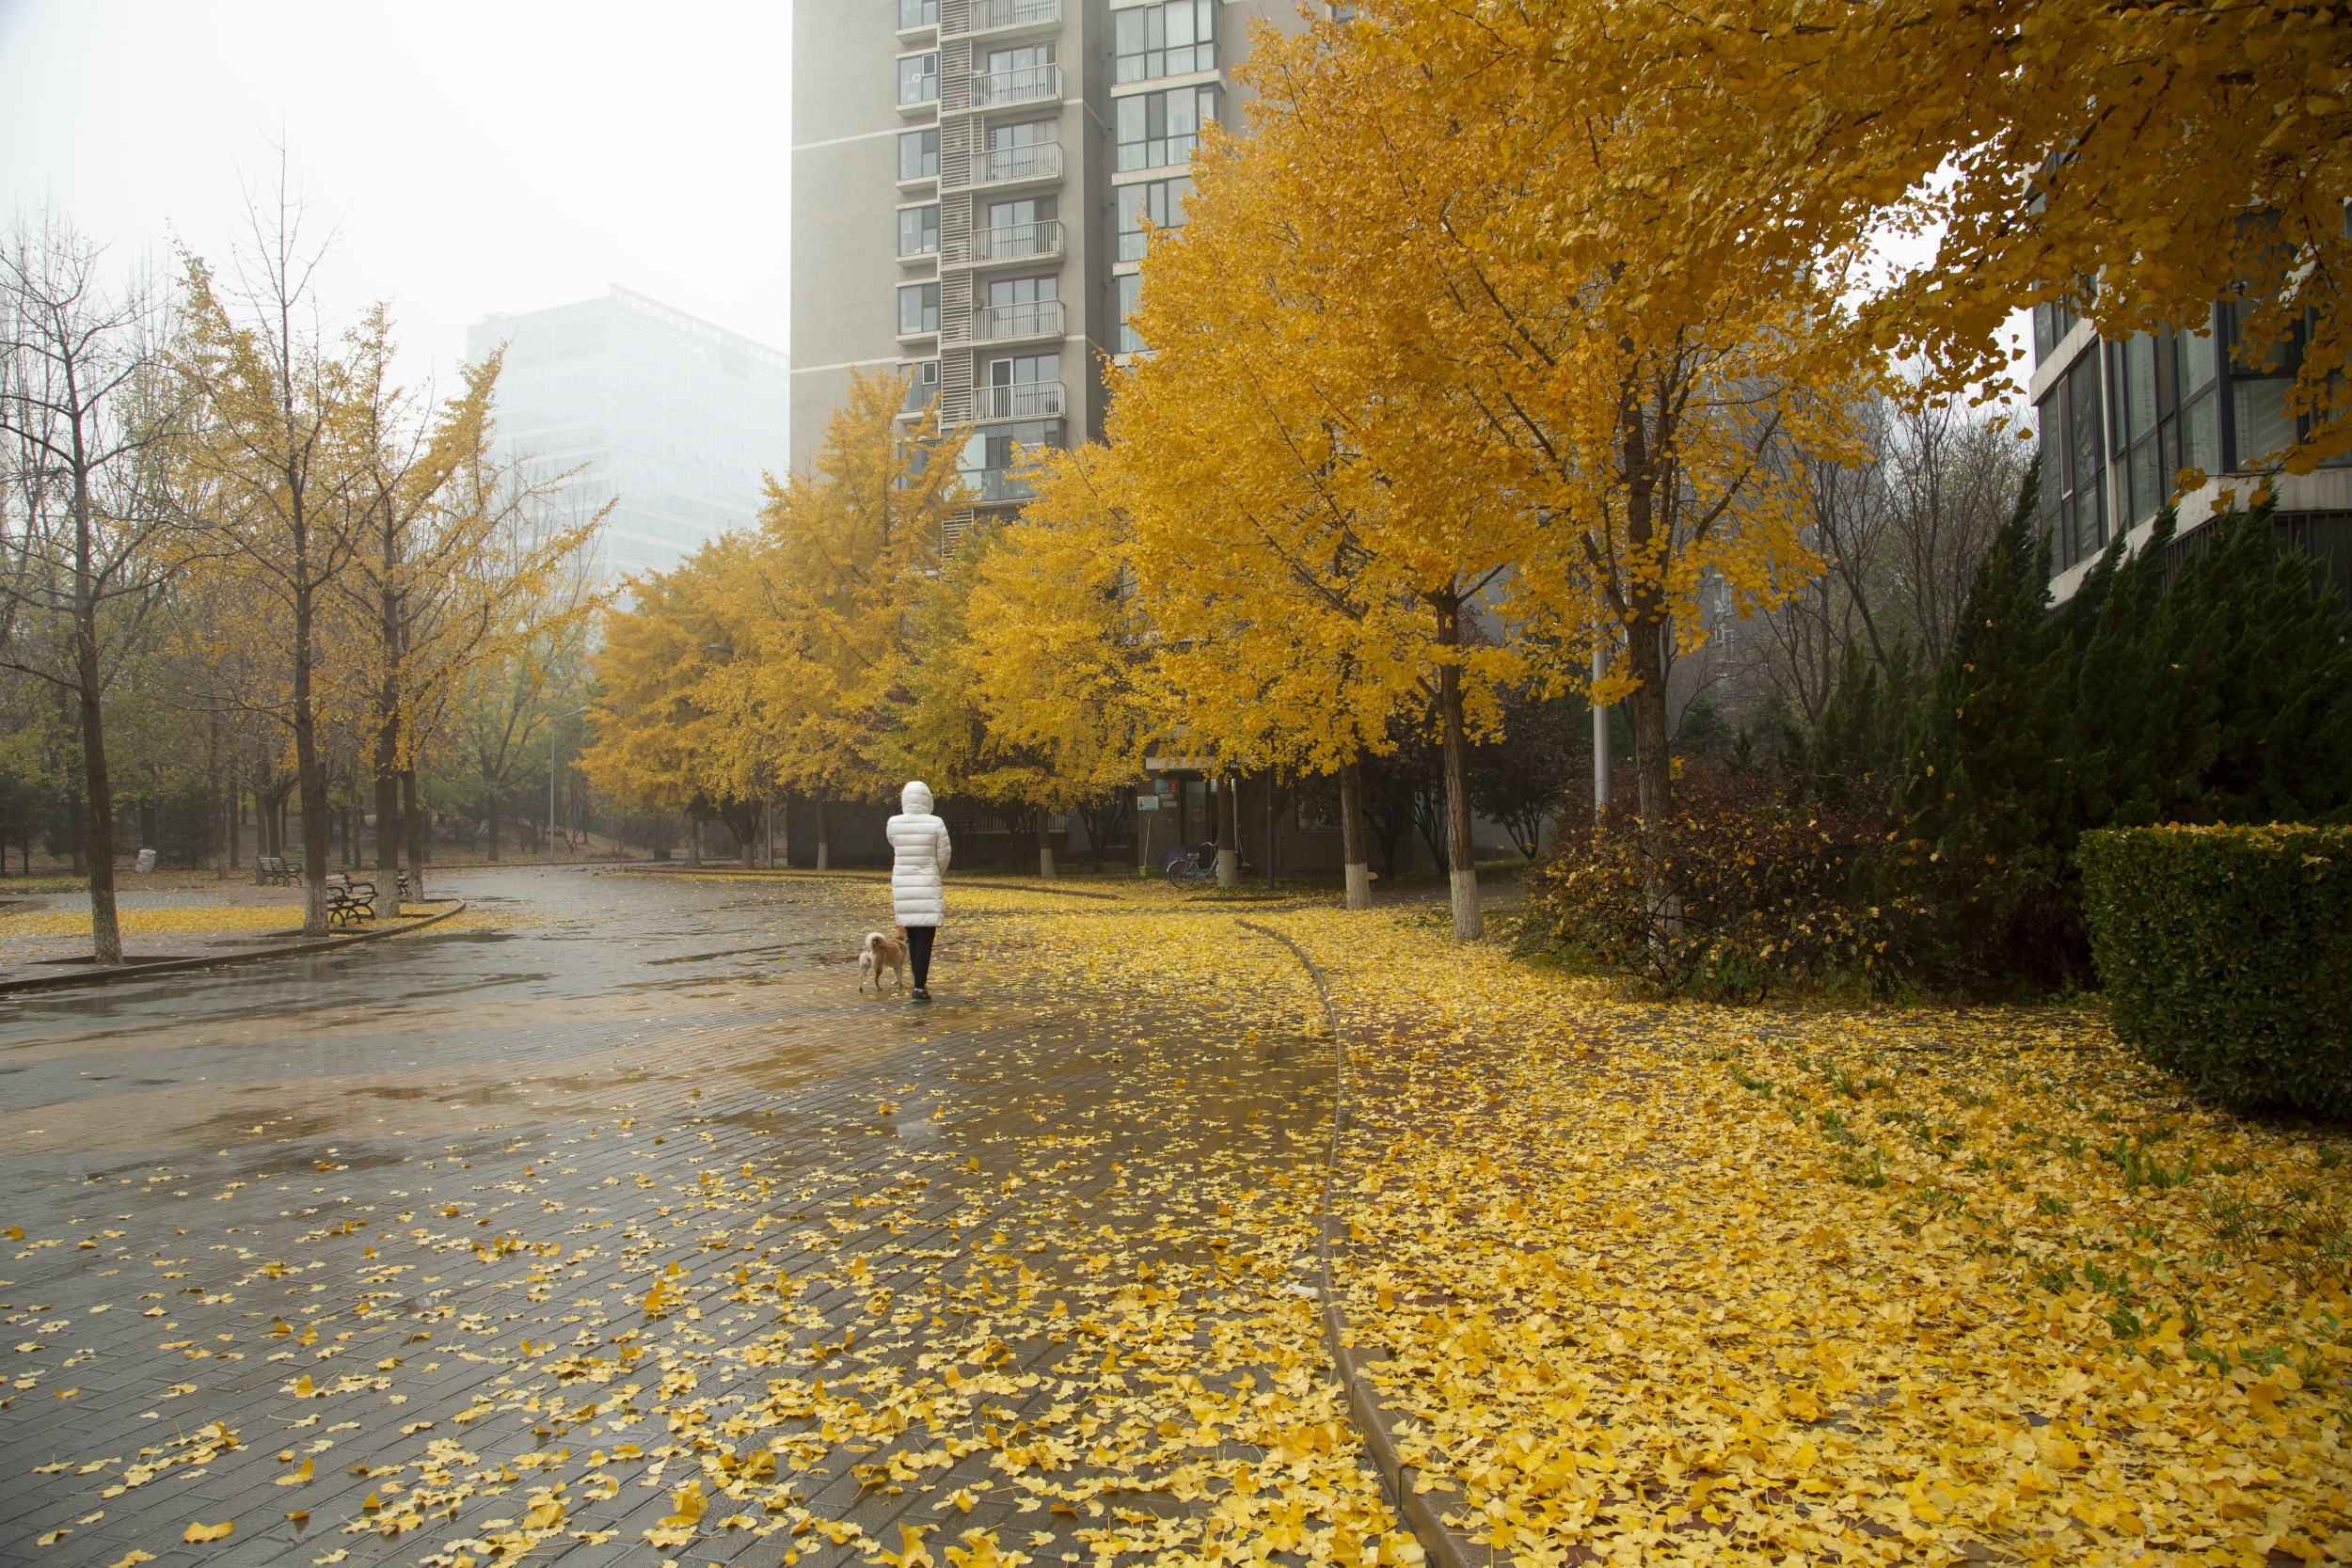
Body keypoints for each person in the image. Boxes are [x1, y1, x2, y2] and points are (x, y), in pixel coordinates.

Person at [885, 780, 952, 1001]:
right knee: (925, 938)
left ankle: (917, 983)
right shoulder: (936, 823)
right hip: (927, 886)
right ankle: (919, 987)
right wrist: (934, 873)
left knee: (912, 936)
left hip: (903, 887)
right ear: (928, 800)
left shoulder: (894, 823)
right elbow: (944, 856)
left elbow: (894, 845)